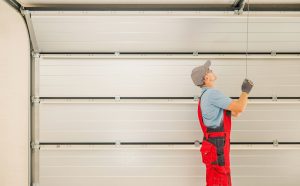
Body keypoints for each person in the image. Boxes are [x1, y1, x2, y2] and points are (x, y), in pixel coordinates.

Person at [191, 60, 254, 186]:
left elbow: (236, 112)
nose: (212, 71)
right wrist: (245, 91)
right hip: (217, 146)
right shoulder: (212, 94)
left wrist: (244, 96)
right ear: (206, 78)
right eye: (209, 70)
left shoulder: (206, 96)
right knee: (220, 180)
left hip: (214, 145)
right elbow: (240, 108)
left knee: (217, 179)